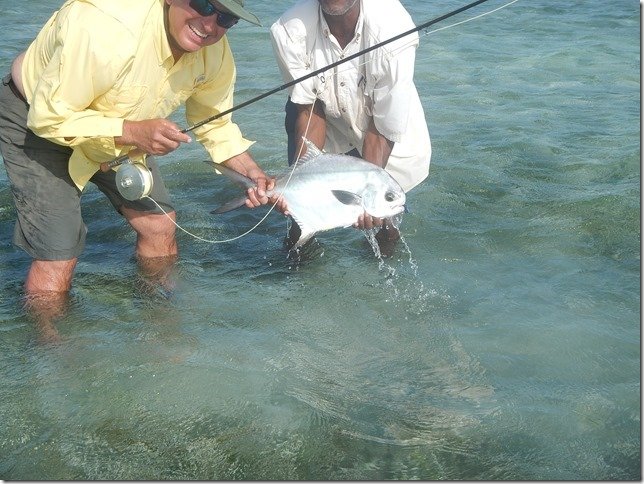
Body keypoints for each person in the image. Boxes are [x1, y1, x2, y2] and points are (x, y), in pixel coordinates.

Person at [0, 0, 275, 337]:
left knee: (160, 225)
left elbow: (214, 125)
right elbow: (48, 116)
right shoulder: (104, 26)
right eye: (203, 4)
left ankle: (156, 317)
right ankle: (49, 350)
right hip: (38, 119)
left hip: (114, 133)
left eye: (226, 18)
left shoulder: (214, 52)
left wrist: (252, 173)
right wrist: (133, 131)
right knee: (59, 249)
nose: (210, 24)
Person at [270, 0, 431, 256]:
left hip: (385, 132)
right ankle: (300, 248)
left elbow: (383, 126)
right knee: (297, 219)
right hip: (331, 124)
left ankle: (378, 278)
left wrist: (367, 197)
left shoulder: (394, 27)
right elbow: (310, 112)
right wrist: (297, 183)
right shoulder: (288, 30)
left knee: (384, 222)